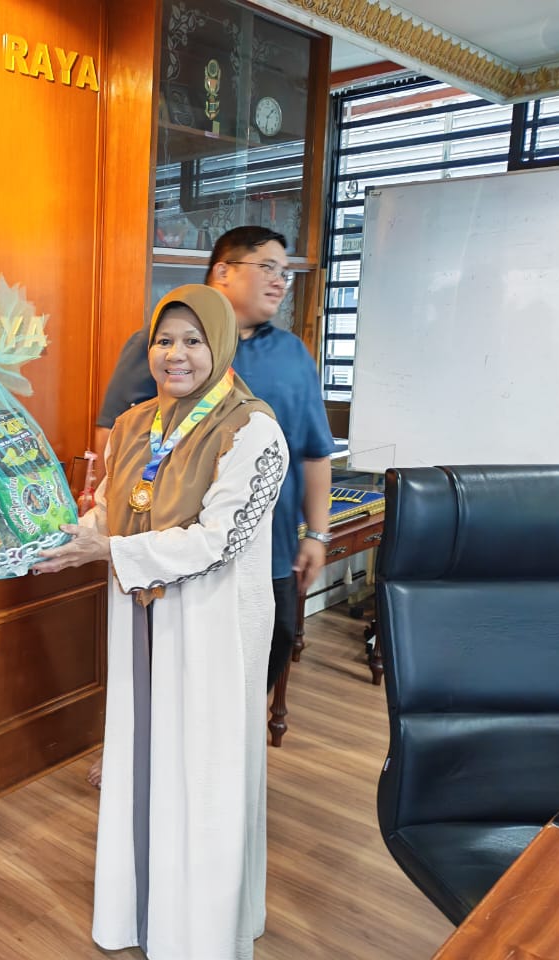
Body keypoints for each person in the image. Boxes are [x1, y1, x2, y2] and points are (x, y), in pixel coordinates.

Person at [34, 284, 287, 959]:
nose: (176, 355)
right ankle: (140, 915)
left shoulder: (252, 431)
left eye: (193, 340)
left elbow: (219, 541)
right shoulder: (133, 424)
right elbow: (112, 510)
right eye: (164, 340)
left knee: (202, 769)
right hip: (140, 622)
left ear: (220, 345)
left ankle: (199, 935)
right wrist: (61, 541)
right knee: (144, 761)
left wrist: (108, 550)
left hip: (209, 626)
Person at [94, 226, 334, 695]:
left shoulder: (291, 353)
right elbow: (116, 443)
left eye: (284, 272)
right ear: (223, 271)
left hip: (267, 553)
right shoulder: (157, 345)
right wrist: (111, 525)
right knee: (165, 675)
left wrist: (317, 533)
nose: (279, 281)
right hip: (170, 558)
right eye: (267, 267)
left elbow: (314, 449)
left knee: (255, 669)